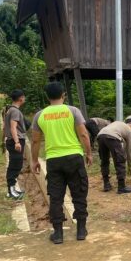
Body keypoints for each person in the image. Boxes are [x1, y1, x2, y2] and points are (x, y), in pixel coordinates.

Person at [31, 82, 92, 244]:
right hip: (74, 158)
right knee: (79, 194)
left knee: (56, 197)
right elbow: (84, 134)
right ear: (63, 95)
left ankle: (58, 234)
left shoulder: (40, 115)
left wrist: (35, 160)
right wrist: (89, 153)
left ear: (47, 96)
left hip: (53, 160)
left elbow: (35, 141)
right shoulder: (73, 111)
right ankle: (80, 230)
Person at [97, 120, 131, 194]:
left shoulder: (119, 124)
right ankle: (121, 187)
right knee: (120, 161)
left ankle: (106, 185)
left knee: (104, 161)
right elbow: (129, 150)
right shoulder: (129, 131)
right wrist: (130, 167)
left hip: (100, 135)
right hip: (112, 137)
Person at [3, 89, 27, 200]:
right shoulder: (15, 111)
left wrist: (3, 140)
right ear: (21, 98)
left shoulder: (9, 110)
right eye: (24, 97)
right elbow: (13, 127)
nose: (24, 99)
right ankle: (11, 190)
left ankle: (11, 189)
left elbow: (4, 127)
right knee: (15, 165)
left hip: (11, 140)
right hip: (15, 141)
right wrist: (17, 142)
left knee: (15, 164)